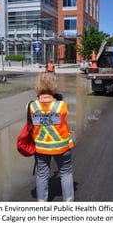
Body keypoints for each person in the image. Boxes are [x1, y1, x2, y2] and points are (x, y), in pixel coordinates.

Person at [29, 72, 74, 201]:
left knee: (42, 175)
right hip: (62, 147)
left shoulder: (31, 106)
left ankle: (42, 202)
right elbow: (60, 112)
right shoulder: (62, 105)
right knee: (66, 173)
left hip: (41, 148)